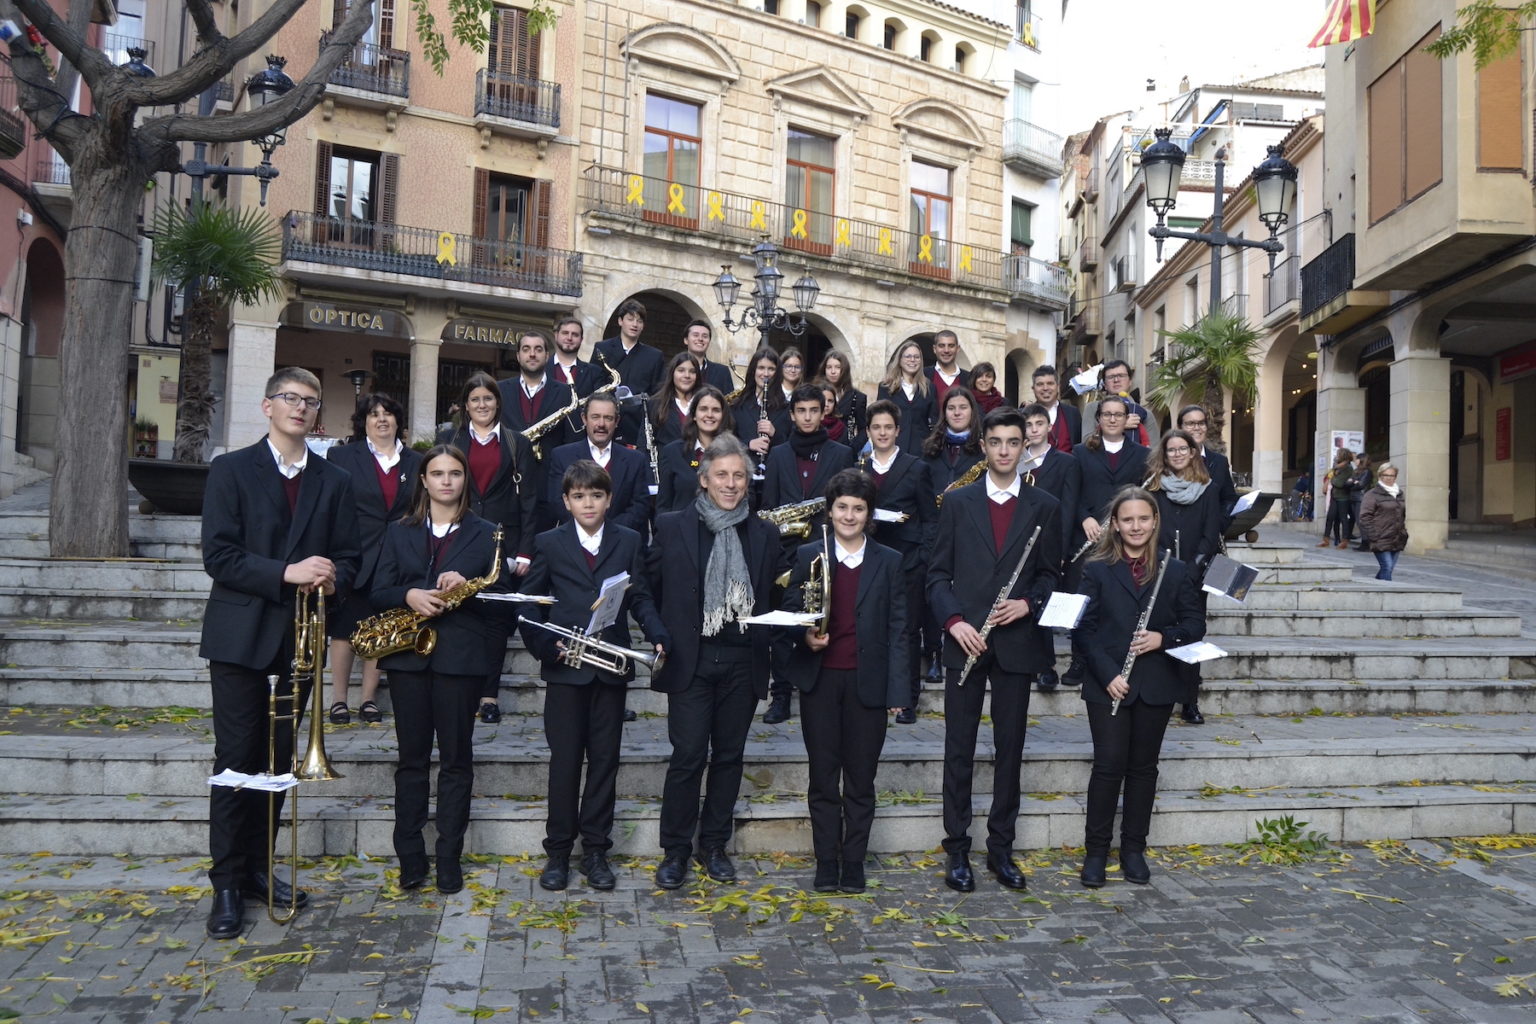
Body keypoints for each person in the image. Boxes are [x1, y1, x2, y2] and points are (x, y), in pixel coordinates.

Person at [200, 367, 360, 939]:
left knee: (277, 763)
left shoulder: (334, 479)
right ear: (268, 406)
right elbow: (219, 556)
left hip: (300, 639)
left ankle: (258, 871)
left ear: (318, 413)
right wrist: (288, 572)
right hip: (240, 638)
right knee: (235, 760)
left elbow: (350, 555)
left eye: (311, 401)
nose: (301, 407)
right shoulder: (230, 469)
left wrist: (335, 577)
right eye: (291, 398)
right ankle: (225, 882)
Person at [927, 407, 1062, 893]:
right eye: (996, 441)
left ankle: (1000, 850)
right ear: (982, 446)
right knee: (958, 748)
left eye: (1013, 442)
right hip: (966, 641)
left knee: (1010, 750)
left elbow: (1052, 575)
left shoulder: (1043, 505)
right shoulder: (958, 503)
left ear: (1024, 447)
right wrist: (955, 621)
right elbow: (937, 576)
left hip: (1015, 644)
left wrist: (1028, 604)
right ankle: (957, 849)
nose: (1005, 450)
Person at [520, 460, 669, 892]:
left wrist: (656, 632)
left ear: (609, 499)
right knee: (565, 764)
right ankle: (559, 853)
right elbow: (529, 608)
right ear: (567, 501)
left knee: (605, 763)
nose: (589, 503)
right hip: (566, 671)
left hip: (609, 672)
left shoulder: (628, 540)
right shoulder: (549, 543)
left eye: (597, 495)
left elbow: (639, 596)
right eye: (580, 496)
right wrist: (546, 647)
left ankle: (597, 851)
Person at [648, 435, 786, 889]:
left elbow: (775, 595)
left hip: (744, 660)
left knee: (729, 757)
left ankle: (713, 846)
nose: (730, 484)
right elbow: (644, 588)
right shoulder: (670, 526)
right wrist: (657, 633)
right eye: (722, 475)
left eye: (739, 476)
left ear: (748, 482)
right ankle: (675, 851)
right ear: (703, 480)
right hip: (691, 659)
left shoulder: (764, 532)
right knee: (688, 756)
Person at [371, 445, 505, 895]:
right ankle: (410, 856)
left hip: (460, 661)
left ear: (465, 480)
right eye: (437, 473)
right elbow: (378, 589)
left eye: (455, 473)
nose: (446, 481)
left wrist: (467, 588)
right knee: (411, 763)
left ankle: (449, 857)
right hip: (409, 659)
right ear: (422, 480)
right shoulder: (398, 532)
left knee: (456, 762)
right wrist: (409, 594)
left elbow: (501, 602)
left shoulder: (487, 534)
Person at [783, 469, 908, 893]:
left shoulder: (889, 562)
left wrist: (899, 691)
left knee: (860, 778)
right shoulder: (808, 557)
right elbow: (790, 612)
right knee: (822, 776)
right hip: (821, 681)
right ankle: (826, 860)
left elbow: (899, 629)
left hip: (867, 684)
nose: (849, 516)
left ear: (869, 513)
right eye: (842, 508)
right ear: (829, 511)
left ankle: (853, 860)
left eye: (858, 508)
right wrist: (804, 636)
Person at [1073, 486, 1205, 889]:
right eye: (1127, 519)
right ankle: (1096, 853)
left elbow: (1195, 625)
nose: (1135, 526)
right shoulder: (1095, 568)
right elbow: (1084, 630)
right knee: (1108, 765)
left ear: (1154, 522)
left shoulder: (1176, 570)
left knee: (1143, 769)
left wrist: (1163, 638)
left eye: (1143, 519)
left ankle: (1133, 849)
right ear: (1115, 523)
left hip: (1155, 683)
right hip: (1107, 681)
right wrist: (1107, 673)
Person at [440, 372, 538, 723]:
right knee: (458, 613)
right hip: (458, 537)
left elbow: (530, 502)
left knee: (497, 620)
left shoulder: (516, 443)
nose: (482, 405)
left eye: (488, 398)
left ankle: (489, 695)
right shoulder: (449, 439)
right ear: (465, 405)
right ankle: (456, 689)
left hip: (502, 542)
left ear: (498, 402)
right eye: (475, 399)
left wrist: (525, 551)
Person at [324, 392, 421, 725]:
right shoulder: (341, 457)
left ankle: (368, 699)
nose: (382, 419)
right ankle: (338, 701)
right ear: (363, 422)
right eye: (373, 414)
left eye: (388, 413)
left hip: (396, 558)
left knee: (382, 629)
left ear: (398, 420)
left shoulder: (416, 461)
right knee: (344, 629)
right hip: (353, 554)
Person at [761, 383, 855, 724]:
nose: (807, 417)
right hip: (786, 555)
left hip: (828, 553)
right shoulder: (778, 455)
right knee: (784, 629)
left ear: (823, 413)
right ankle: (781, 697)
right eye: (801, 411)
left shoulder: (842, 454)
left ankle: (822, 693)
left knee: (827, 622)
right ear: (792, 414)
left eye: (814, 410)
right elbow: (768, 508)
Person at [1064, 396, 1150, 685]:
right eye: (1106, 414)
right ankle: (1079, 660)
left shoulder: (1142, 455)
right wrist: (1084, 518)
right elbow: (1071, 494)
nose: (1112, 419)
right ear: (1098, 419)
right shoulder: (1079, 452)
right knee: (1082, 602)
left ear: (1127, 419)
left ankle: (1117, 657)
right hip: (1089, 536)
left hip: (1126, 537)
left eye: (1118, 414)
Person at [1145, 429, 1225, 725]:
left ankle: (1189, 701)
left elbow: (1209, 535)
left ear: (1193, 452)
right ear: (1164, 455)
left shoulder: (1208, 488)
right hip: (1159, 573)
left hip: (1193, 576)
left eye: (1182, 449)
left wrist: (1192, 570)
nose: (1177, 454)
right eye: (1171, 450)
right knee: (1160, 636)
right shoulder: (1153, 488)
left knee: (1191, 639)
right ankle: (1161, 697)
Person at [862, 399, 935, 724]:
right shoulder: (860, 468)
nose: (882, 433)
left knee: (906, 630)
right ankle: (875, 694)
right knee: (873, 627)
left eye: (887, 428)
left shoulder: (916, 467)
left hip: (908, 560)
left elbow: (930, 518)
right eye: (876, 427)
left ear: (898, 431)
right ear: (868, 431)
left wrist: (925, 557)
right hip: (870, 559)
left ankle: (906, 699)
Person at [1020, 402, 1082, 692]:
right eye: (1028, 426)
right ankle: (1032, 663)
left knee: (1046, 605)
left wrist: (1062, 548)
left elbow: (1069, 508)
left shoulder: (1066, 462)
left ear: (1048, 428)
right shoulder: (1017, 461)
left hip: (1052, 541)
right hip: (1022, 542)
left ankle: (1047, 667)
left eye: (1038, 425)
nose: (1033, 430)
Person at [544, 392, 651, 536]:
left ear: (617, 421)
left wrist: (607, 531)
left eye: (608, 418)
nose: (601, 424)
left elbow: (640, 505)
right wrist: (587, 529)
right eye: (595, 417)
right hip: (576, 543)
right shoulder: (562, 456)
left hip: (621, 542)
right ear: (584, 419)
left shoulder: (635, 459)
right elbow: (557, 502)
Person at [593, 299, 665, 447]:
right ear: (620, 321)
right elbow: (594, 383)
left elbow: (657, 393)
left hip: (636, 425)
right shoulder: (602, 349)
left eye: (639, 321)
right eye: (630, 319)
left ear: (643, 326)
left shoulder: (654, 356)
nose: (634, 324)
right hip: (604, 421)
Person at [497, 329, 575, 462]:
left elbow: (571, 440)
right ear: (518, 356)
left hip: (549, 473)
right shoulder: (499, 390)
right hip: (509, 472)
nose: (532, 354)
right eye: (526, 349)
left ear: (546, 356)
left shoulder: (565, 392)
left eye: (538, 350)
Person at [657, 386, 735, 513]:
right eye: (703, 409)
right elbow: (664, 505)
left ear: (723, 416)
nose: (709, 415)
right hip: (683, 529)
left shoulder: (736, 452)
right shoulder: (672, 452)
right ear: (694, 415)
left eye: (716, 410)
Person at [1176, 404, 1238, 528]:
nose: (1197, 428)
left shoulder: (1219, 462)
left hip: (1211, 537)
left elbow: (1229, 499)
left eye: (1201, 423)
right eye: (1190, 424)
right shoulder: (1170, 460)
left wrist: (1218, 524)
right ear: (1180, 428)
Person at [732, 348, 789, 473]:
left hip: (775, 474)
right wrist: (749, 444)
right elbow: (726, 440)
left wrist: (775, 434)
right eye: (761, 368)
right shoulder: (737, 406)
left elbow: (792, 445)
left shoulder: (786, 408)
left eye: (771, 369)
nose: (766, 374)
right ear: (754, 370)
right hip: (743, 473)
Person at [922, 385, 984, 497]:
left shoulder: (983, 448)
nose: (957, 413)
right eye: (951, 408)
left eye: (963, 407)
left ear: (972, 411)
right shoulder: (930, 447)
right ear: (944, 413)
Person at [877, 340, 935, 453]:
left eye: (916, 357)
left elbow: (933, 419)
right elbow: (880, 417)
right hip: (892, 447)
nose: (912, 360)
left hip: (920, 449)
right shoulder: (886, 387)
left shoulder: (929, 388)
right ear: (900, 359)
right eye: (908, 356)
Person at [1086, 361, 1153, 448]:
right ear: (1105, 384)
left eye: (1121, 376)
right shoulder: (1091, 409)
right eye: (1111, 377)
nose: (1116, 380)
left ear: (1130, 381)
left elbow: (1153, 450)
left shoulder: (1145, 413)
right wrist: (1120, 425)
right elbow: (1086, 442)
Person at [1358, 463, 1406, 581]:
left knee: (1388, 568)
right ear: (1380, 476)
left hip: (1397, 537)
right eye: (1386, 475)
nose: (1389, 478)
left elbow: (1401, 515)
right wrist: (1373, 535)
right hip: (1380, 537)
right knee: (1387, 566)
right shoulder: (1372, 494)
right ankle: (1387, 595)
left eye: (1392, 475)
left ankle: (1376, 587)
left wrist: (1403, 532)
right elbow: (1365, 516)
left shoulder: (1399, 493)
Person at [650, 351, 702, 449]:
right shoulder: (655, 404)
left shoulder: (704, 404)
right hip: (666, 462)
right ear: (672, 373)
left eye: (692, 371)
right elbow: (644, 444)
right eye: (681, 370)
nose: (687, 375)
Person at [817, 350, 867, 448]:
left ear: (844, 370)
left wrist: (853, 449)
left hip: (844, 448)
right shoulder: (814, 392)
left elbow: (863, 429)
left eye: (837, 367)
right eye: (829, 367)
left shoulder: (857, 398)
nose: (833, 371)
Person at [1032, 364, 1082, 451]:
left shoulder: (1073, 413)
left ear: (1058, 387)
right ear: (1033, 389)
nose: (1045, 388)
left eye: (1050, 383)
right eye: (1040, 384)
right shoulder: (1023, 416)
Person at [682, 318, 734, 393]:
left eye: (705, 336)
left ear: (709, 341)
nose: (700, 339)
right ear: (686, 340)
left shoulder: (722, 372)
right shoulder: (673, 369)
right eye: (695, 335)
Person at [1320, 448, 1357, 549]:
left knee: (1343, 518)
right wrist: (1333, 476)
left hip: (1343, 496)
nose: (1337, 456)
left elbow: (1338, 483)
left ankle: (1345, 540)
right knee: (1330, 517)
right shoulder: (1337, 467)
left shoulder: (1348, 468)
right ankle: (1326, 539)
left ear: (1343, 456)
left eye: (1338, 454)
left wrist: (1332, 478)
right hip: (1335, 495)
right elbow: (1330, 476)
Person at [927, 329, 970, 408]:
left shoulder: (969, 378)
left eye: (951, 346)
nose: (946, 350)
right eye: (941, 346)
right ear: (934, 349)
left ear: (958, 349)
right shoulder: (923, 375)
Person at [1350, 454, 1376, 550]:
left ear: (1361, 460)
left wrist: (1353, 482)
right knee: (1358, 521)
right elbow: (1349, 482)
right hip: (1354, 497)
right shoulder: (1357, 471)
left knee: (1361, 521)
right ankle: (1365, 542)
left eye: (1357, 459)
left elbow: (1361, 485)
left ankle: (1366, 542)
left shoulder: (1367, 472)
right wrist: (1353, 482)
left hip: (1361, 498)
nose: (1355, 460)